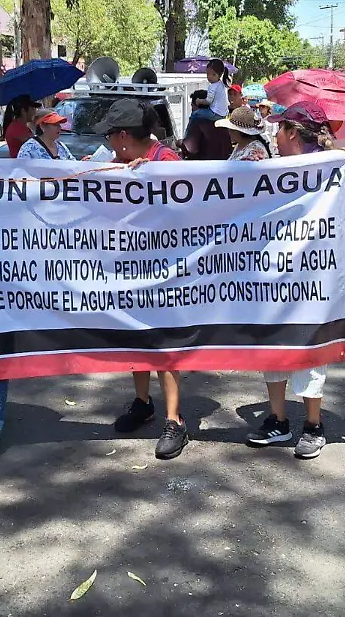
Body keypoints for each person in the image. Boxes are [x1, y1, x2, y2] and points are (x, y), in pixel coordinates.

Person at [242, 101, 345, 458]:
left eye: (278, 129)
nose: (273, 134)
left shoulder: (335, 166)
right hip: (271, 273)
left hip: (315, 275)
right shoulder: (270, 167)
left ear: (291, 133)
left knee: (311, 346)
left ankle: (313, 425)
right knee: (272, 344)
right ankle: (277, 419)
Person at [94, 99, 189, 460]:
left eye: (110, 135)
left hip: (165, 273)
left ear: (121, 136)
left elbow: (188, 208)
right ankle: (142, 402)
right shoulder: (116, 164)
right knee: (136, 339)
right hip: (128, 271)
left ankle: (174, 419)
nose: (108, 143)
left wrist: (153, 177)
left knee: (165, 345)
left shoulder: (167, 162)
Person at [181, 89, 233, 160]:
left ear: (194, 105)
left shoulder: (196, 121)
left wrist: (179, 143)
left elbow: (190, 149)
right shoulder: (222, 121)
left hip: (204, 168)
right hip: (224, 166)